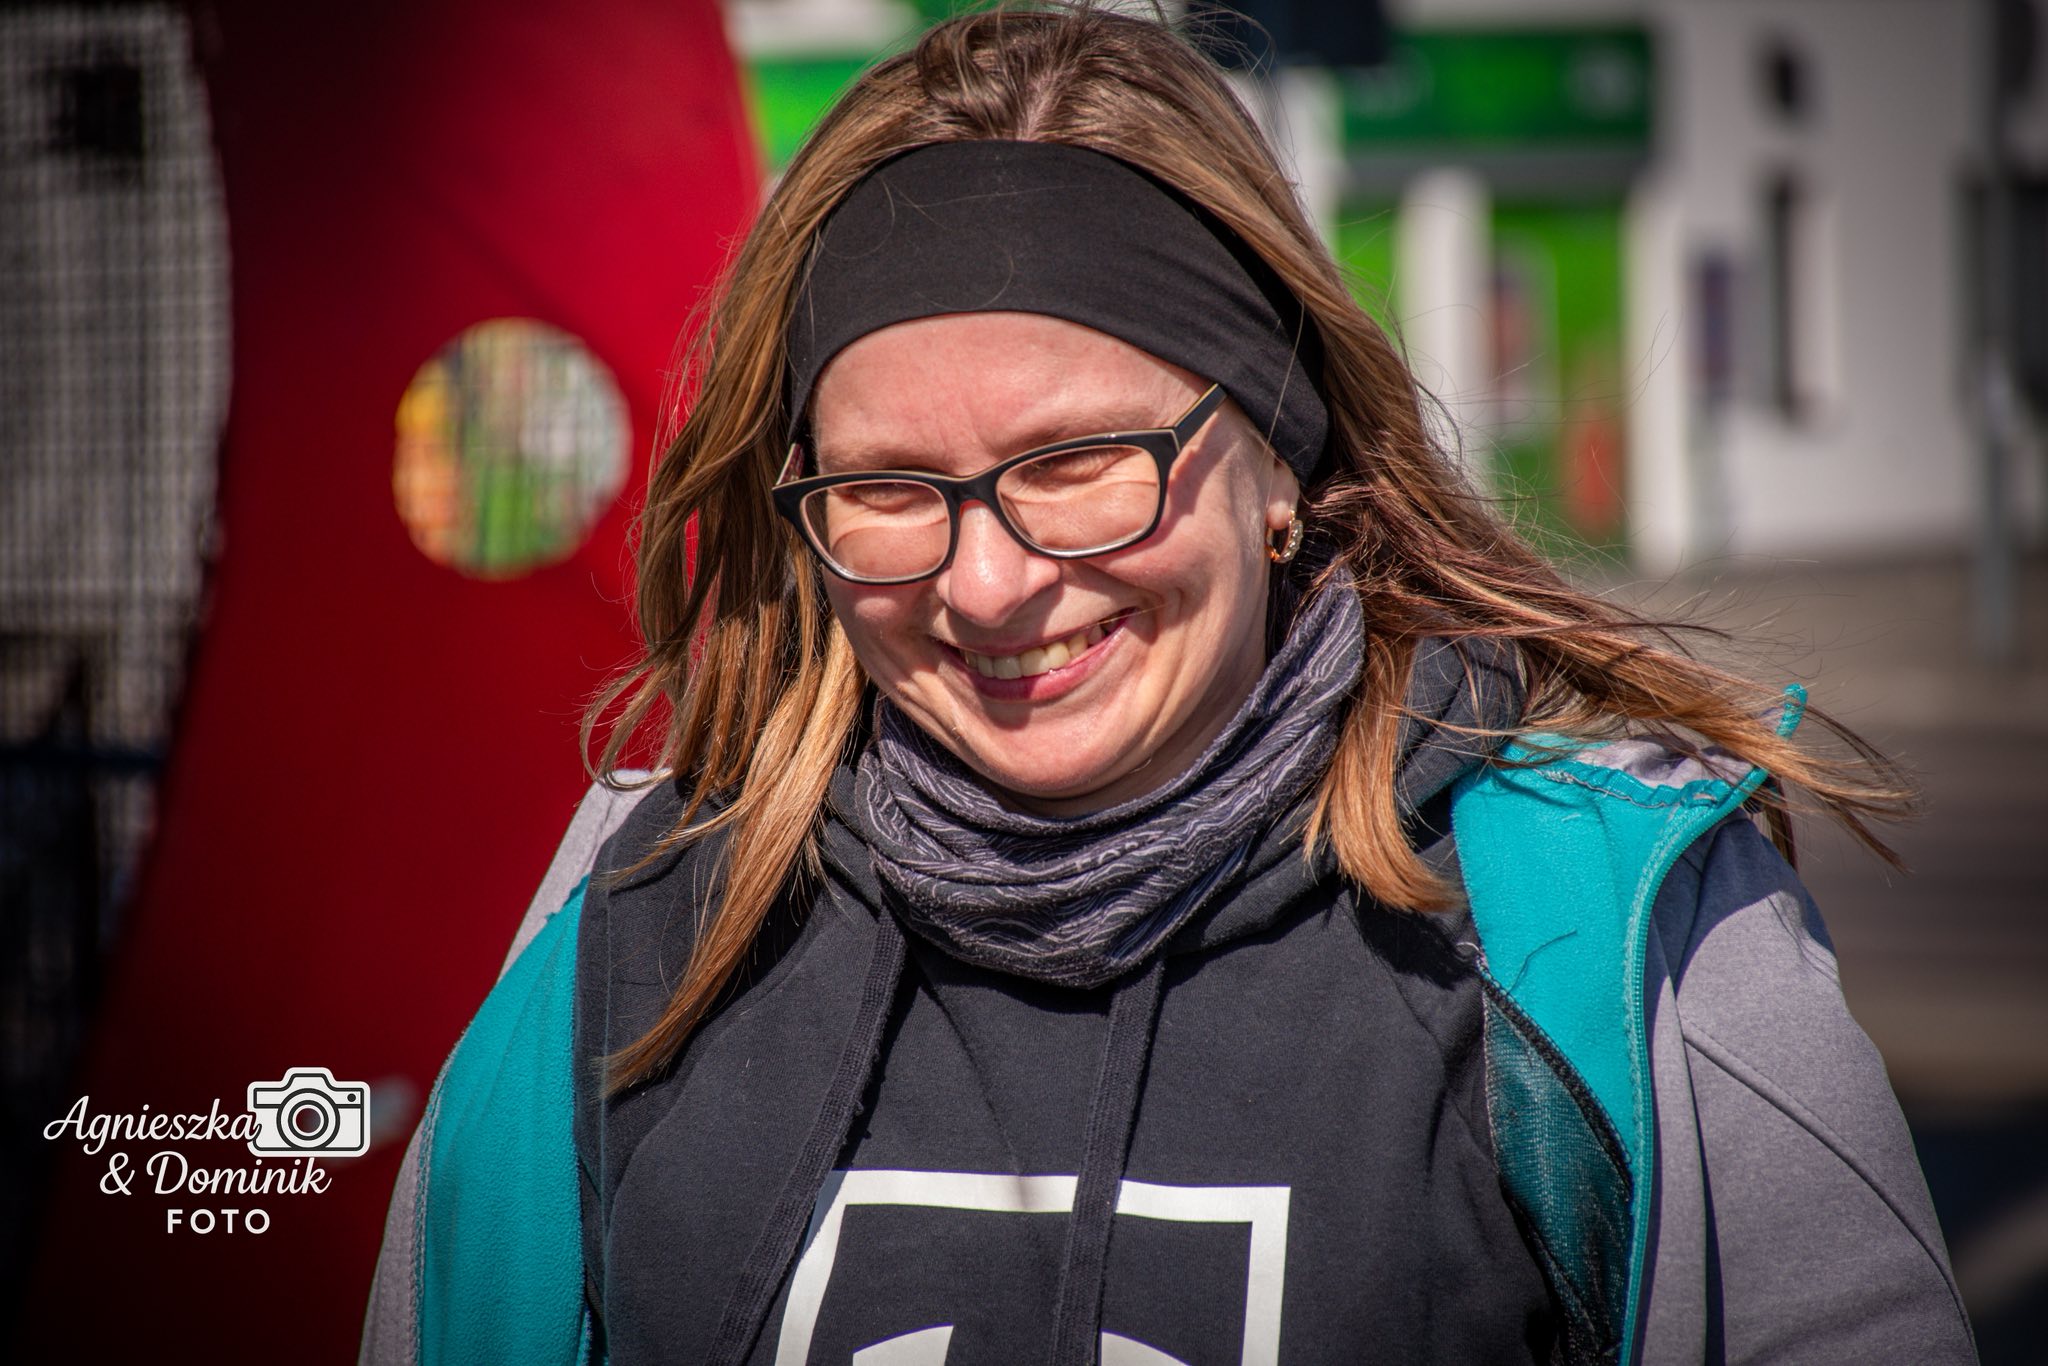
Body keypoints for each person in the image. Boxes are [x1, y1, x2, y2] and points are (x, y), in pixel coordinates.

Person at [362, 7, 1977, 1364]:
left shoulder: (1609, 929)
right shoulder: (638, 916)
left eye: (1078, 461)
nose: (986, 584)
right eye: (890, 488)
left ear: (1280, 458)